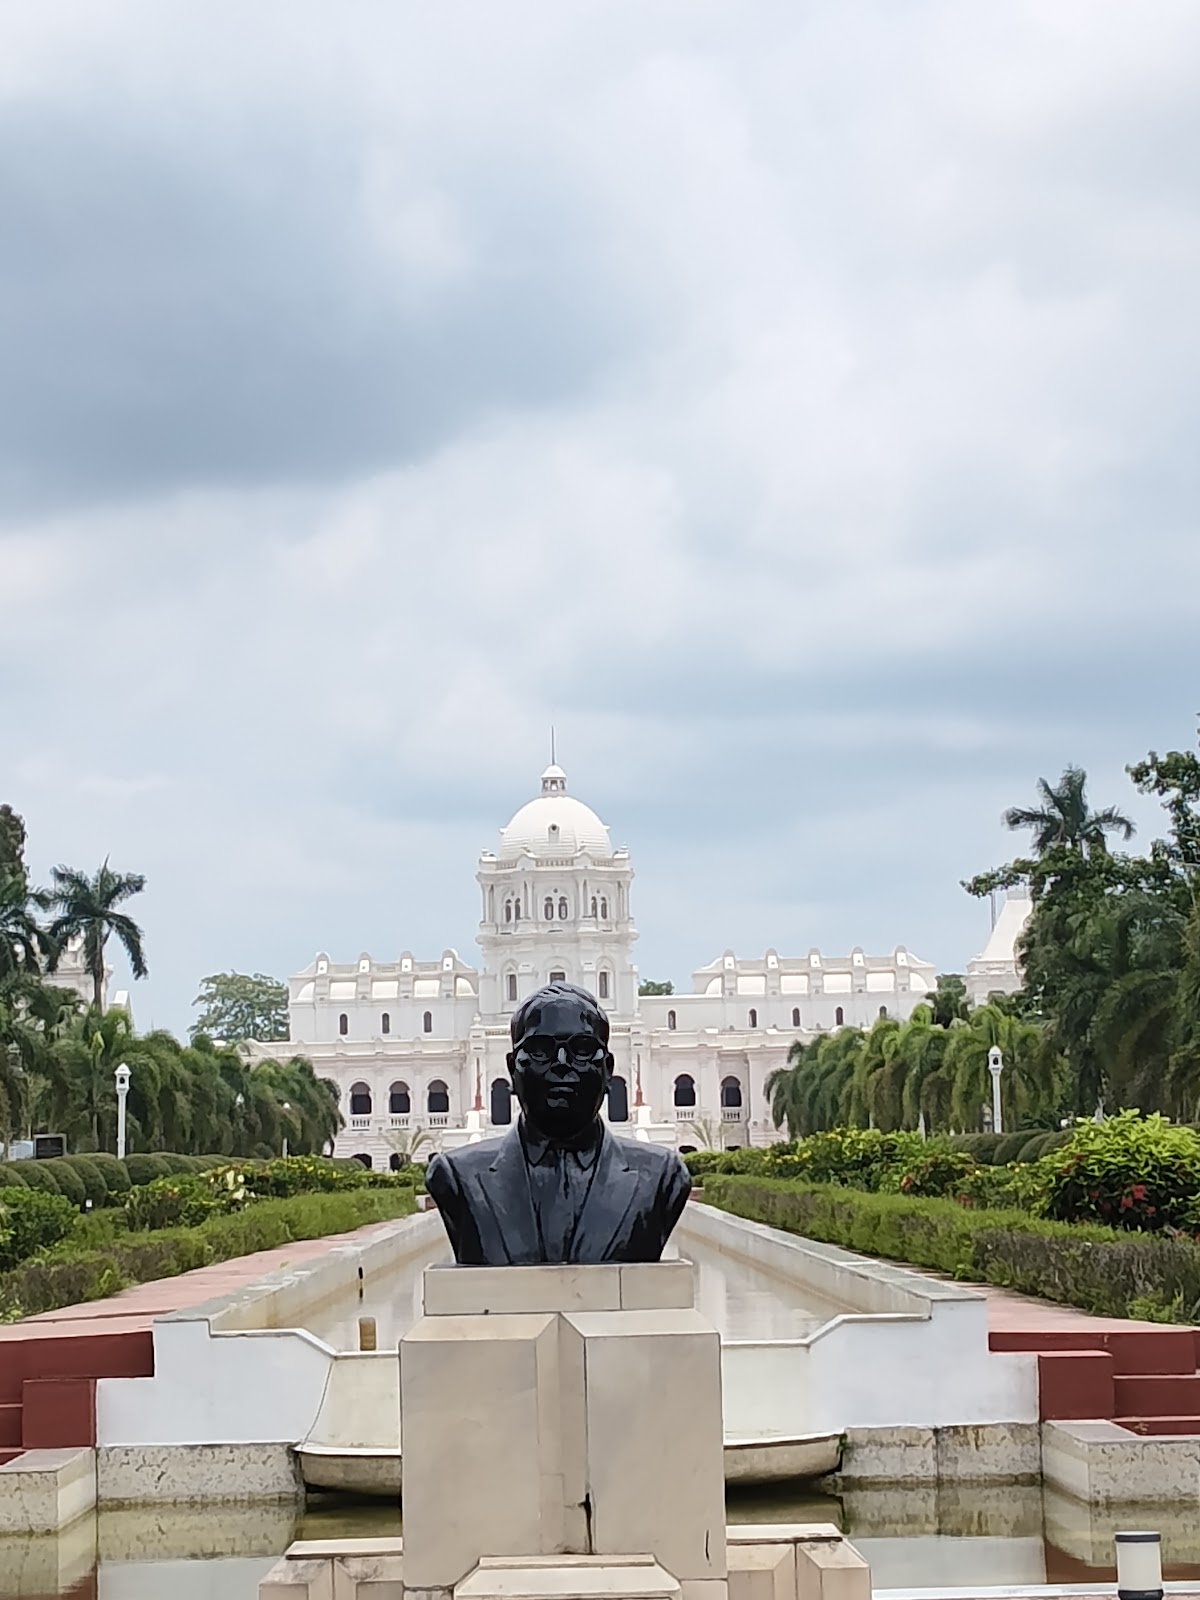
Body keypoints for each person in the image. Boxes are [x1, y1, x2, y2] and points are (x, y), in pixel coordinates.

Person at [425, 982, 691, 1265]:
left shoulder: (662, 1176)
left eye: (583, 1048)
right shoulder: (456, 1177)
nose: (562, 1063)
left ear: (608, 1070)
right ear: (512, 1069)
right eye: (540, 1049)